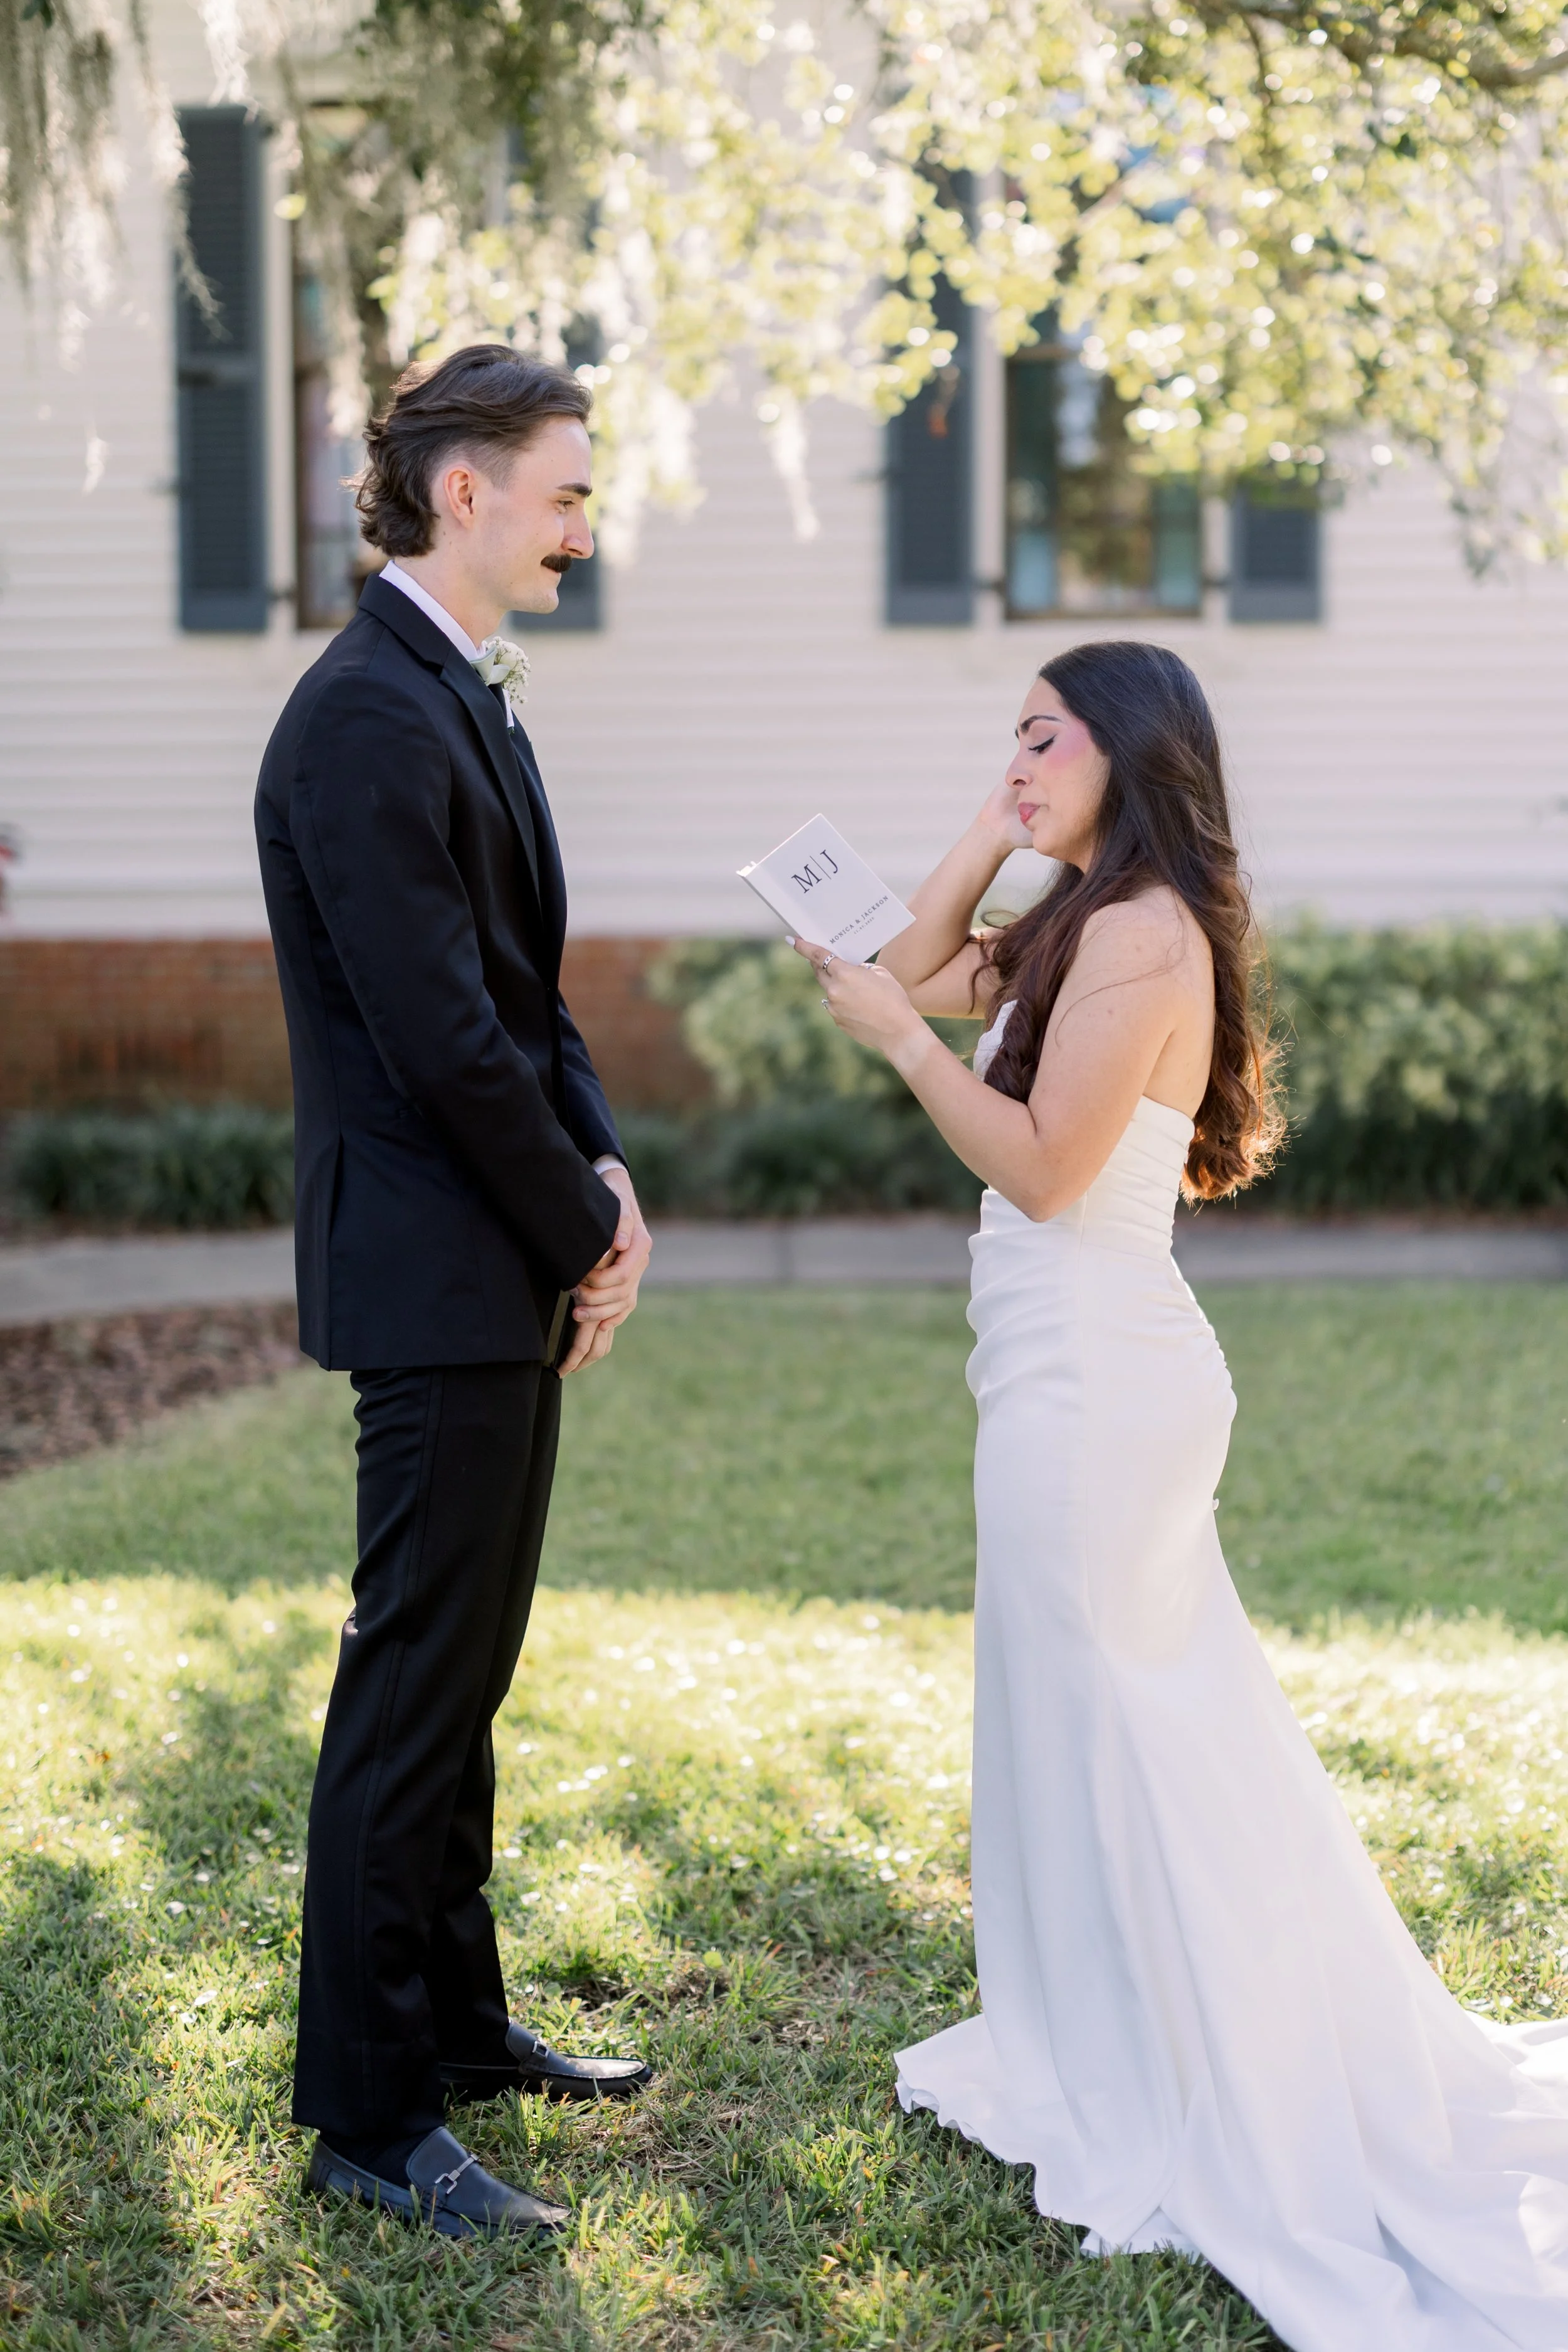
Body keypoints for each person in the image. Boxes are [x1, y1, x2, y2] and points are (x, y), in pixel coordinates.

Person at [792, 638, 1568, 2351]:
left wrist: (904, 1055)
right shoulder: (1080, 911)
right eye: (1006, 732)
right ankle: (1105, 2033)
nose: (1013, 754)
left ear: (1127, 751)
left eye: (1041, 733)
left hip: (1101, 1380)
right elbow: (900, 963)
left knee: (1135, 1726)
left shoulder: (1143, 938)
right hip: (1050, 1367)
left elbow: (1045, 1164)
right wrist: (986, 818)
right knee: (1086, 1717)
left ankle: (1198, 2062)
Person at [255, 344, 654, 2239]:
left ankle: (464, 2021)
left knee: (465, 1676)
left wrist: (606, 1174)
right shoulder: (359, 721)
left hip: (501, 1254)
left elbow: (522, 989)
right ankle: (368, 2109)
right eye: (569, 489)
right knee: (408, 1685)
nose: (590, 523)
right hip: (434, 1274)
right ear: (464, 492)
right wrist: (577, 1230)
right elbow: (428, 1041)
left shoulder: (456, 694)